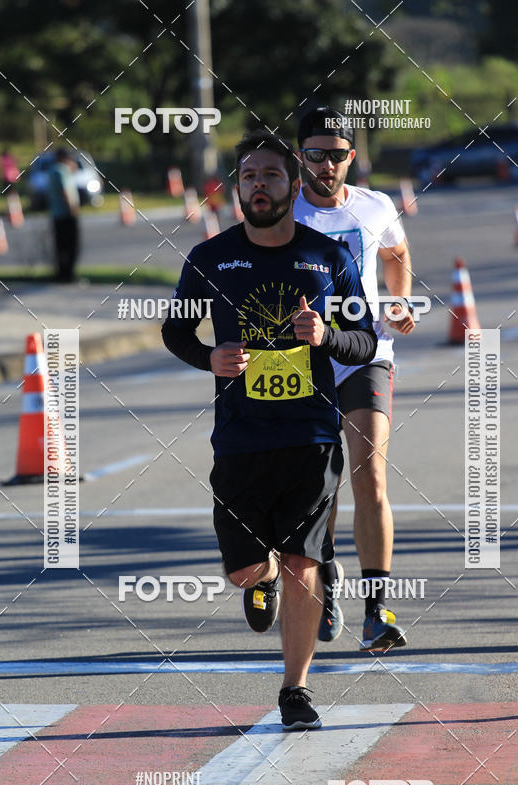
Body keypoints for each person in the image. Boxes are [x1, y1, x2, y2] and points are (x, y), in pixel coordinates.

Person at [162, 130, 377, 729]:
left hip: (311, 433)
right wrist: (208, 357)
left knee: (301, 561)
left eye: (272, 175)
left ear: (293, 184)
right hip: (240, 437)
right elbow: (175, 331)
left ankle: (295, 690)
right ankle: (258, 583)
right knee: (246, 567)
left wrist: (325, 337)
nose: (261, 185)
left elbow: (363, 342)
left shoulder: (329, 259)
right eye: (250, 176)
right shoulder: (210, 259)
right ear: (238, 188)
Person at [294, 106, 415, 651]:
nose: (326, 165)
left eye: (336, 155)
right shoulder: (283, 212)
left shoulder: (375, 205)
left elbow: (396, 252)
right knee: (319, 488)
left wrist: (398, 300)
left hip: (367, 352)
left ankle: (377, 610)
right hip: (303, 358)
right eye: (315, 154)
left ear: (351, 157)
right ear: (300, 155)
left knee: (370, 478)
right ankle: (325, 581)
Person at [47, 148, 80, 282]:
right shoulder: (62, 170)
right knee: (70, 246)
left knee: (60, 246)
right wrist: (73, 209)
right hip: (66, 214)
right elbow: (65, 191)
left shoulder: (52, 170)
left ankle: (61, 273)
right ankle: (69, 274)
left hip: (56, 214)